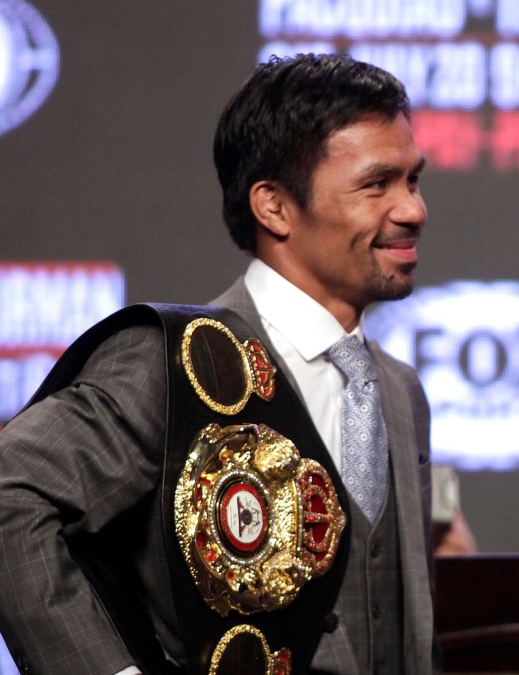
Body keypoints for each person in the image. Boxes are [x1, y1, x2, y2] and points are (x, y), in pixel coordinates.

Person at [0, 54, 437, 674]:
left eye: (412, 181)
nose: (413, 210)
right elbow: (8, 494)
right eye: (377, 184)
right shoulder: (172, 362)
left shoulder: (398, 388)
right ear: (274, 207)